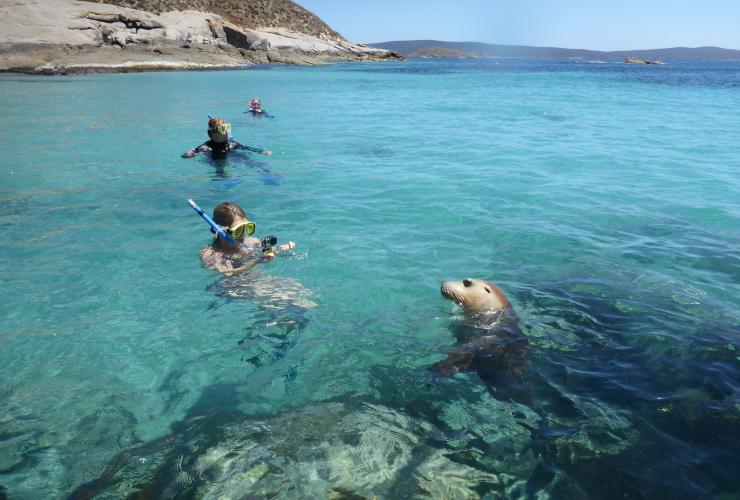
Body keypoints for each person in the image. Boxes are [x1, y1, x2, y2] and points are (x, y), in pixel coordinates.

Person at [199, 201, 295, 275]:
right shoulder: (211, 253)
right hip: (232, 287)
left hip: (256, 278)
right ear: (220, 231)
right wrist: (256, 261)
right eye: (238, 230)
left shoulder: (250, 242)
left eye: (246, 228)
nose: (243, 235)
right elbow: (227, 273)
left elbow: (267, 245)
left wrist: (280, 250)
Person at [182, 117, 272, 160]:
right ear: (211, 134)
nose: (226, 132)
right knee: (218, 167)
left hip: (232, 155)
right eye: (223, 130)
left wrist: (261, 151)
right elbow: (187, 154)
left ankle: (265, 173)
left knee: (247, 160)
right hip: (214, 159)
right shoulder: (205, 147)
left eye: (227, 129)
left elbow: (247, 148)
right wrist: (188, 155)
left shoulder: (232, 144)